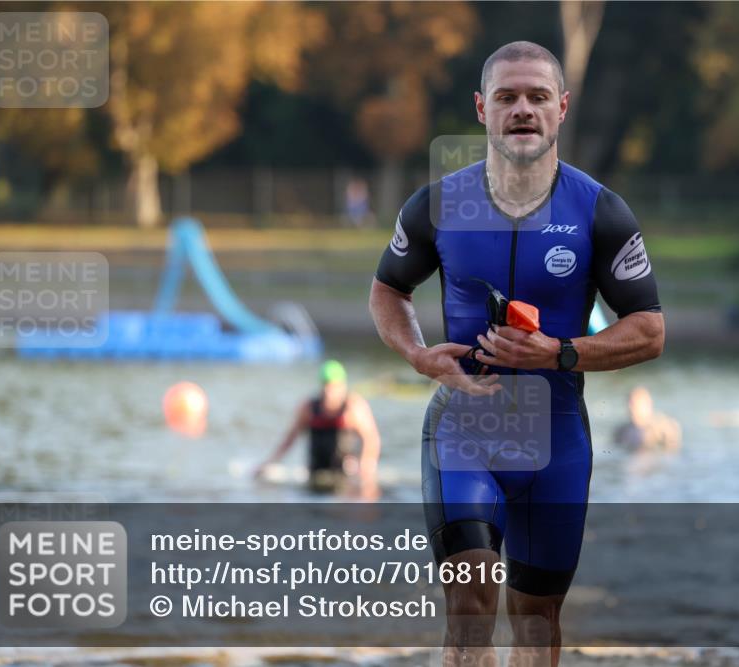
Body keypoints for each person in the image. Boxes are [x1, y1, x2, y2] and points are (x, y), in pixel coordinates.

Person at [368, 41, 664, 666]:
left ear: (561, 108)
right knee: (470, 605)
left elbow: (648, 330)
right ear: (482, 109)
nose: (522, 109)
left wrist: (559, 353)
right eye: (507, 97)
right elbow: (387, 291)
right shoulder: (437, 205)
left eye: (536, 97)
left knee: (536, 622)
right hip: (462, 432)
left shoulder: (600, 211)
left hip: (556, 442)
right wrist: (418, 355)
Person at [256, 360, 381, 498]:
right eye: (325, 385)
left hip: (346, 472)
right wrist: (269, 463)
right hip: (316, 471)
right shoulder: (309, 407)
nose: (328, 391)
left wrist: (366, 468)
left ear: (342, 386)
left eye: (333, 386)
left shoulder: (353, 407)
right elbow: (289, 439)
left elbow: (371, 439)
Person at [613, 386, 681, 453]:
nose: (630, 407)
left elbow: (672, 453)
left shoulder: (662, 429)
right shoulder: (621, 431)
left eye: (634, 403)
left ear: (648, 405)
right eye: (629, 403)